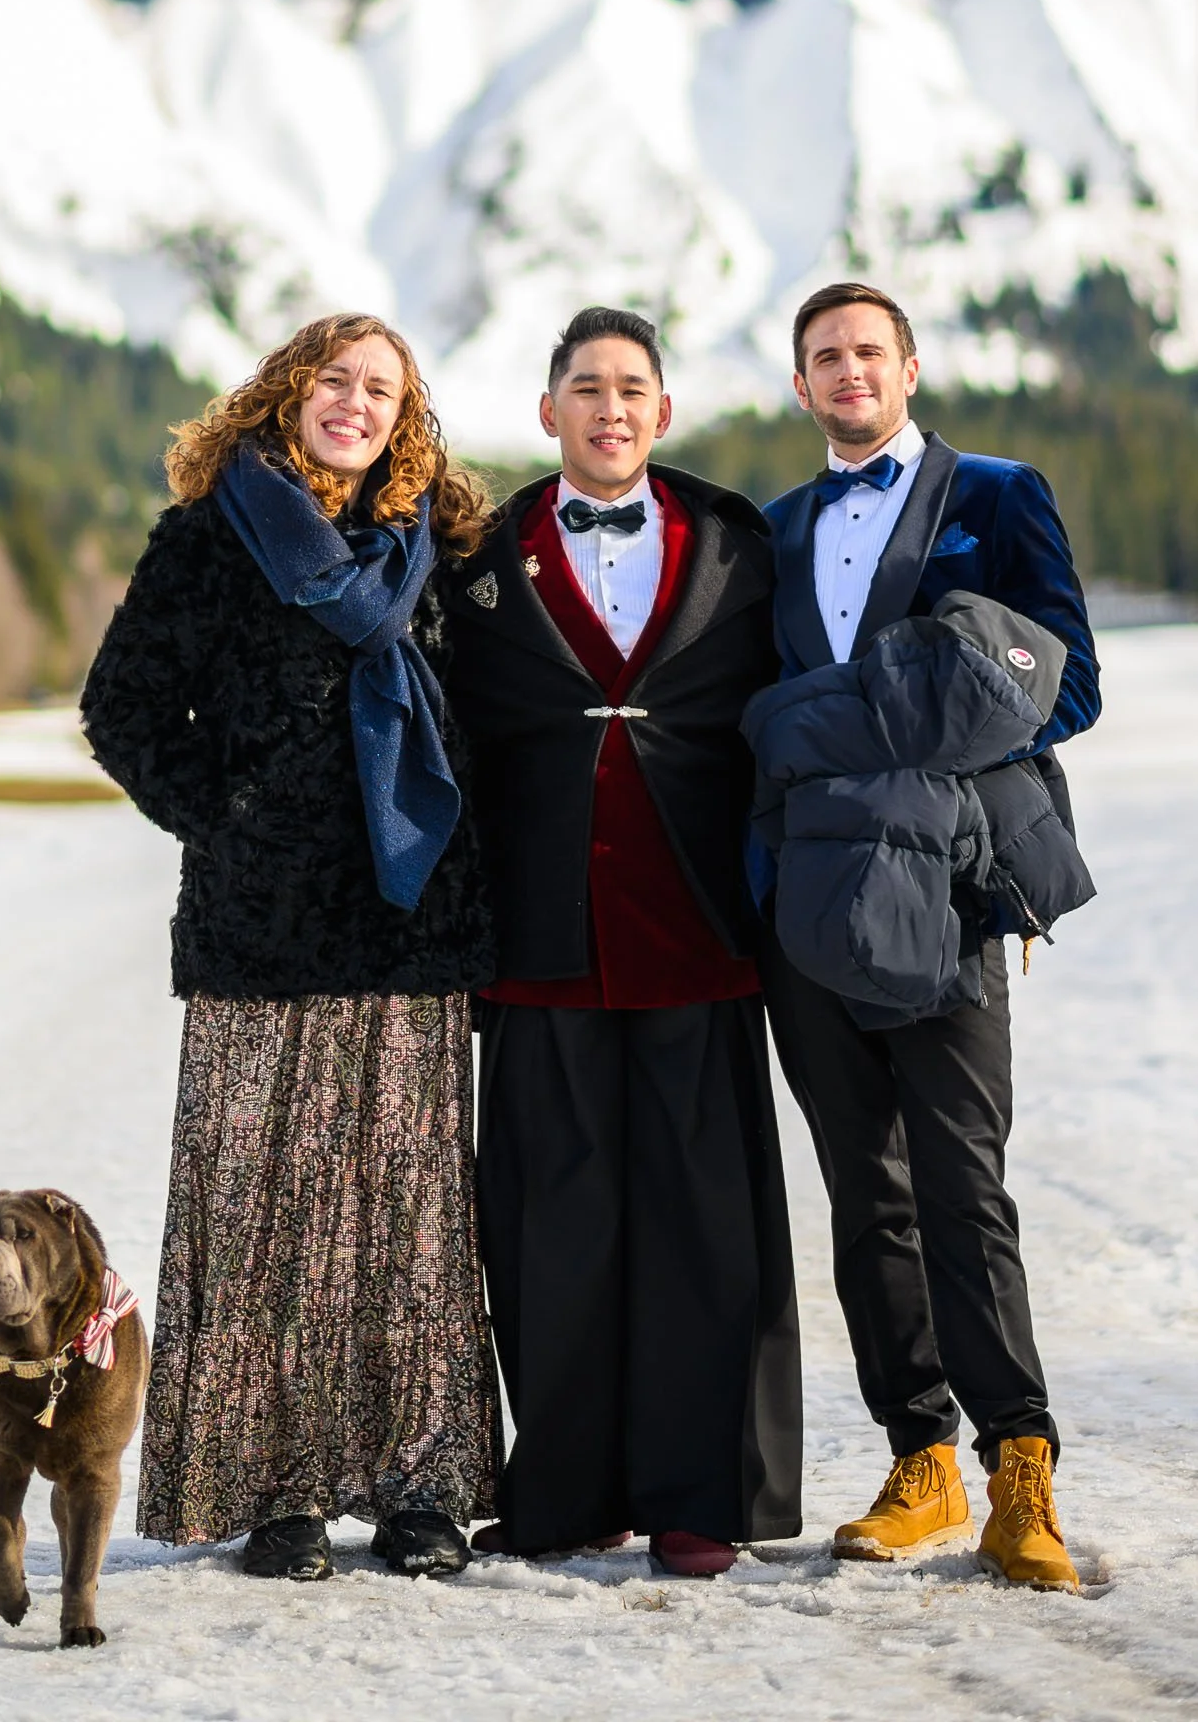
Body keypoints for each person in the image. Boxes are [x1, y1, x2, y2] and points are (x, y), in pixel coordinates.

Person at [80, 312, 504, 1582]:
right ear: (285, 392)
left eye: (382, 389)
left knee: (412, 1216)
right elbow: (124, 706)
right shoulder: (213, 535)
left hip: (409, 919)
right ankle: (282, 1490)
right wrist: (232, 813)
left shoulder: (439, 543)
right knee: (262, 1208)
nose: (356, 404)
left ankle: (423, 1488)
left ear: (406, 415)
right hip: (259, 928)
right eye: (336, 380)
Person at [443, 305, 802, 1578]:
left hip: (698, 929)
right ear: (548, 412)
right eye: (584, 386)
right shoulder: (474, 555)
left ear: (662, 411)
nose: (608, 407)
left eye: (631, 387)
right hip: (538, 940)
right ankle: (568, 1489)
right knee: (550, 1225)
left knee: (704, 1225)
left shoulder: (737, 548)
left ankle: (701, 1494)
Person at [754, 279, 1100, 1591]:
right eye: (823, 357)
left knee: (962, 1181)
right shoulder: (780, 530)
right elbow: (749, 716)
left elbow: (1066, 681)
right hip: (805, 905)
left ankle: (1021, 1463)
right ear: (801, 386)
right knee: (864, 1192)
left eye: (867, 352)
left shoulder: (997, 496)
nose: (848, 372)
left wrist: (886, 748)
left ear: (910, 366)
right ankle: (921, 1456)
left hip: (948, 893)